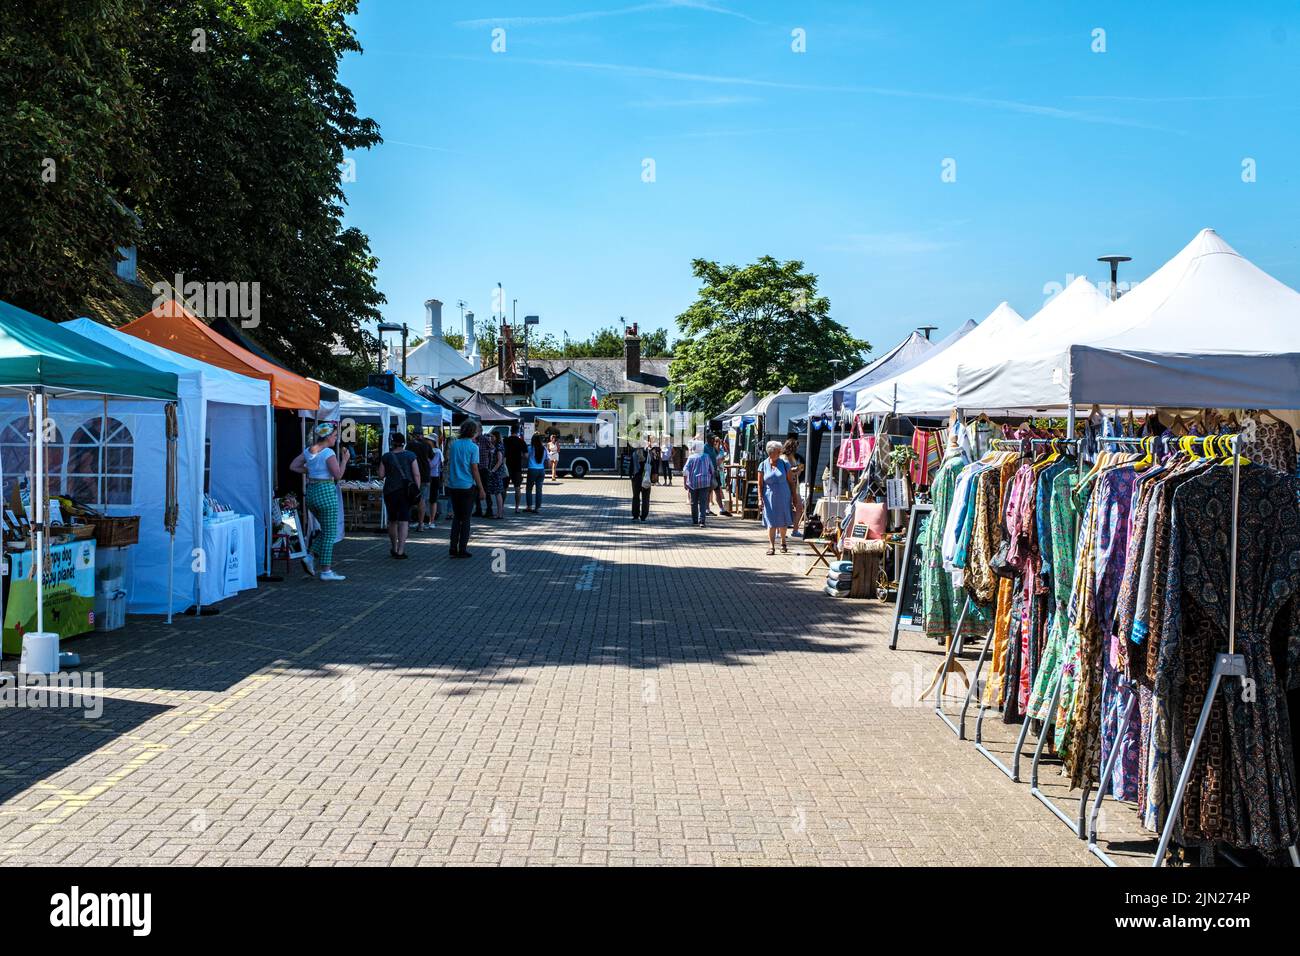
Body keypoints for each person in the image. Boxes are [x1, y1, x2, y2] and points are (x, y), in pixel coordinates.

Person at [289, 422, 350, 581]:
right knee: (330, 534)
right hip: (326, 493)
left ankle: (309, 557)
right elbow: (337, 475)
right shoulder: (328, 452)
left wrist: (311, 470)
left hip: (311, 493)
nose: (336, 439)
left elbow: (294, 466)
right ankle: (326, 571)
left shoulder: (310, 451)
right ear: (328, 436)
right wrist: (344, 460)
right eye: (335, 436)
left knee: (326, 531)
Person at [446, 420, 487, 558]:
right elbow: (474, 469)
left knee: (457, 517)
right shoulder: (473, 447)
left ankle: (453, 546)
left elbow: (449, 462)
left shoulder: (454, 445)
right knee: (466, 519)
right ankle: (462, 548)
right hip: (467, 486)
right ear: (473, 431)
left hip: (453, 484)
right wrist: (481, 488)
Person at [377, 432, 420, 559]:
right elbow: (416, 474)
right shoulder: (411, 455)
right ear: (403, 443)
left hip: (390, 491)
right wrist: (416, 489)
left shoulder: (386, 456)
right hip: (405, 492)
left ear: (392, 443)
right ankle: (401, 550)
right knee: (404, 521)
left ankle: (393, 547)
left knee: (392, 521)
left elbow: (380, 475)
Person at [757, 439, 797, 555]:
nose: (772, 453)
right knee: (771, 522)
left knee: (783, 521)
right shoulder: (763, 465)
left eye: (775, 451)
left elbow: (791, 482)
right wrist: (760, 499)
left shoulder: (785, 464)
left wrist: (794, 497)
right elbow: (760, 484)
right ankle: (771, 546)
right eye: (770, 451)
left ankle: (783, 542)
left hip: (784, 496)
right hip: (769, 497)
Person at [682, 440, 716, 527]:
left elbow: (685, 471)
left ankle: (695, 520)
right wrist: (711, 478)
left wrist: (685, 482)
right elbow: (712, 469)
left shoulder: (691, 458)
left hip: (693, 483)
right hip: (705, 482)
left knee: (693, 502)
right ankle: (702, 521)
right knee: (703, 502)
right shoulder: (707, 457)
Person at [409, 431, 434, 530]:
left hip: (411, 475)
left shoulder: (410, 445)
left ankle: (405, 523)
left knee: (409, 499)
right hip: (425, 475)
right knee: (422, 500)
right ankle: (421, 524)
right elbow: (431, 457)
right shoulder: (427, 445)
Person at [782, 436, 806, 536]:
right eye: (795, 447)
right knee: (785, 509)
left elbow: (793, 472)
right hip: (787, 486)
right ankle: (781, 531)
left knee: (799, 507)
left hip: (795, 486)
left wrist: (798, 470)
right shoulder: (783, 458)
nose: (797, 449)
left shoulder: (792, 457)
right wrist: (796, 470)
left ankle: (795, 530)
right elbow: (786, 471)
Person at [504, 423, 528, 514]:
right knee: (517, 488)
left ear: (511, 431)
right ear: (518, 431)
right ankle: (517, 508)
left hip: (506, 467)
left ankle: (501, 506)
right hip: (517, 467)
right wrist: (520, 455)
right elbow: (526, 456)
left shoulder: (506, 440)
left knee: (504, 488)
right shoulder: (521, 442)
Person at [474, 428, 496, 517]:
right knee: (476, 489)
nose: (475, 432)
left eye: (476, 430)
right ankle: (478, 509)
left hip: (483, 468)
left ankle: (489, 510)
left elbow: (493, 449)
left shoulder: (485, 439)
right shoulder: (473, 440)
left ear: (480, 431)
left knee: (486, 489)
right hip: (475, 467)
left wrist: (488, 455)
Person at [629, 440, 652, 521]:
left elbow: (631, 467)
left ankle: (635, 515)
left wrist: (630, 476)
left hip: (636, 478)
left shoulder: (634, 454)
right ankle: (644, 516)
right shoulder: (648, 454)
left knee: (635, 497)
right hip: (646, 478)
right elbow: (652, 465)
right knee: (645, 498)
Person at [708, 435, 732, 516]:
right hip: (710, 472)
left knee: (718, 491)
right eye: (715, 441)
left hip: (717, 472)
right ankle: (707, 509)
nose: (717, 443)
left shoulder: (719, 450)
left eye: (718, 442)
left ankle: (721, 509)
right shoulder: (709, 449)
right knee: (709, 491)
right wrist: (720, 460)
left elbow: (719, 460)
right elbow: (715, 461)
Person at [525, 433, 547, 512]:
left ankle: (529, 506)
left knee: (529, 489)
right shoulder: (544, 449)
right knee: (539, 490)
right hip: (541, 470)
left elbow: (526, 457)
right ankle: (537, 508)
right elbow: (546, 459)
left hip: (532, 470)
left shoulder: (530, 448)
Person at [427, 432, 444, 525]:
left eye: (428, 440)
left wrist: (425, 460)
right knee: (424, 499)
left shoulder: (437, 451)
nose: (427, 441)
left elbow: (432, 465)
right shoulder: (426, 450)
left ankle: (432, 520)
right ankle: (425, 518)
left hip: (434, 477)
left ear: (433, 441)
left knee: (433, 499)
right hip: (426, 477)